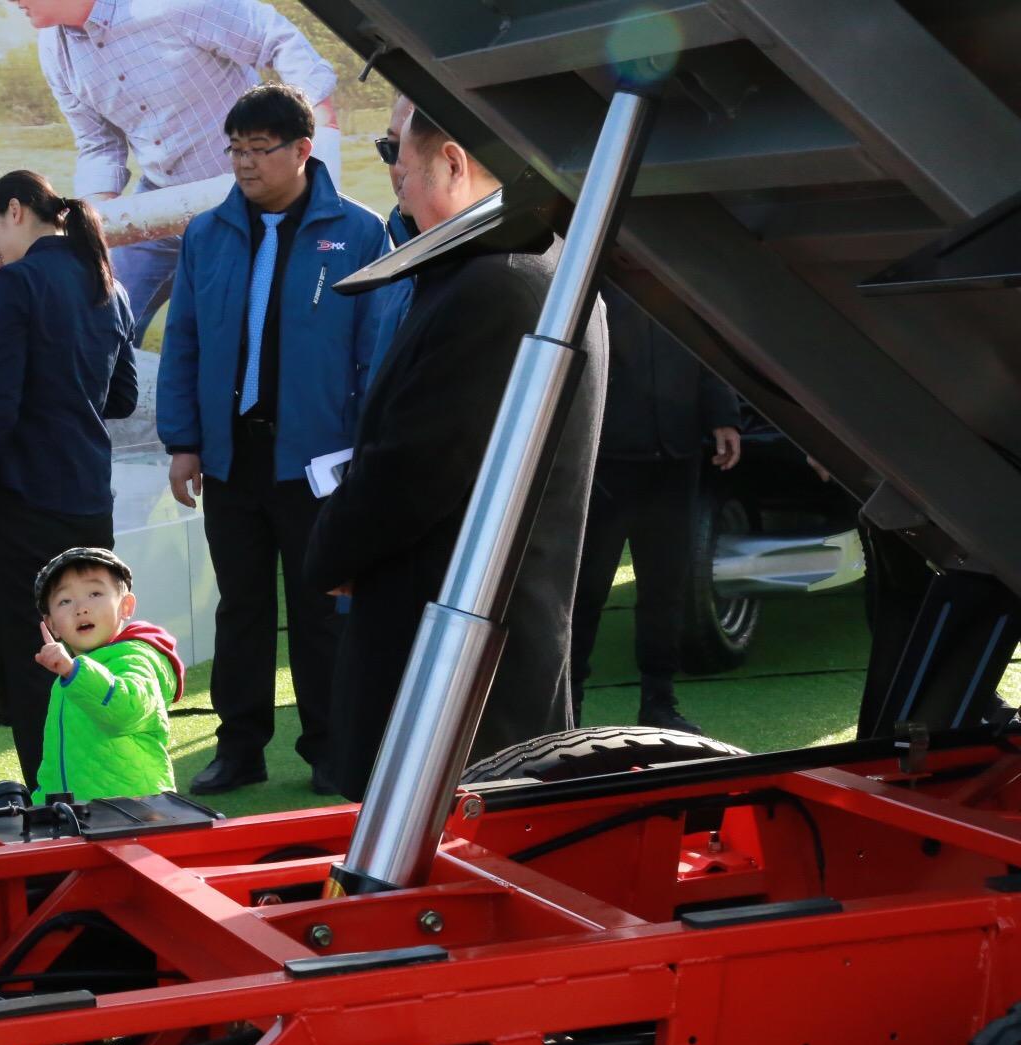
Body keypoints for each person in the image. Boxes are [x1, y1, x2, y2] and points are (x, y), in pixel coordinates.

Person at [304, 109, 608, 798]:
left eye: (394, 154)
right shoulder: (528, 264)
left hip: (453, 654)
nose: (393, 179)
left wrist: (334, 551)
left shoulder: (497, 283)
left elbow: (416, 466)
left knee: (437, 867)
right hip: (476, 635)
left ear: (450, 159)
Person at [155, 83, 394, 796]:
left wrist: (363, 456)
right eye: (235, 149)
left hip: (320, 464)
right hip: (232, 458)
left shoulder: (357, 232)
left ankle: (330, 747)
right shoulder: (206, 234)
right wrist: (184, 442)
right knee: (242, 608)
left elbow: (373, 351)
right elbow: (184, 343)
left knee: (324, 610)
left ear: (302, 151)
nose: (245, 165)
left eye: (260, 150)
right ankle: (239, 747)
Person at [0, 170, 139, 784]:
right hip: (88, 497)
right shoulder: (108, 284)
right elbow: (123, 396)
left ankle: (51, 798)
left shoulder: (17, 281)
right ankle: (104, 791)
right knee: (94, 649)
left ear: (15, 211)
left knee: (35, 659)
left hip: (24, 503)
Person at [16, 0, 340, 336]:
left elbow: (277, 39)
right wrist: (95, 222)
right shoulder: (54, 51)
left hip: (251, 198)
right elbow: (99, 144)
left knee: (253, 333)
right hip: (160, 200)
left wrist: (318, 140)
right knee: (92, 314)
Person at [570, 286, 741, 733]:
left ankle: (659, 701)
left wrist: (723, 412)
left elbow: (706, 337)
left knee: (666, 589)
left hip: (675, 456)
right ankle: (567, 705)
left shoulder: (673, 266)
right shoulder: (588, 258)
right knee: (585, 593)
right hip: (603, 460)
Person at [29, 547, 185, 801]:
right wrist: (42, 803)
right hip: (85, 816)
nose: (81, 608)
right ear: (52, 625)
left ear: (126, 606)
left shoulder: (136, 656)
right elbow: (58, 759)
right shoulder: (69, 675)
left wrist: (73, 671)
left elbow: (125, 710)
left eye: (95, 593)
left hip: (137, 812)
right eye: (65, 601)